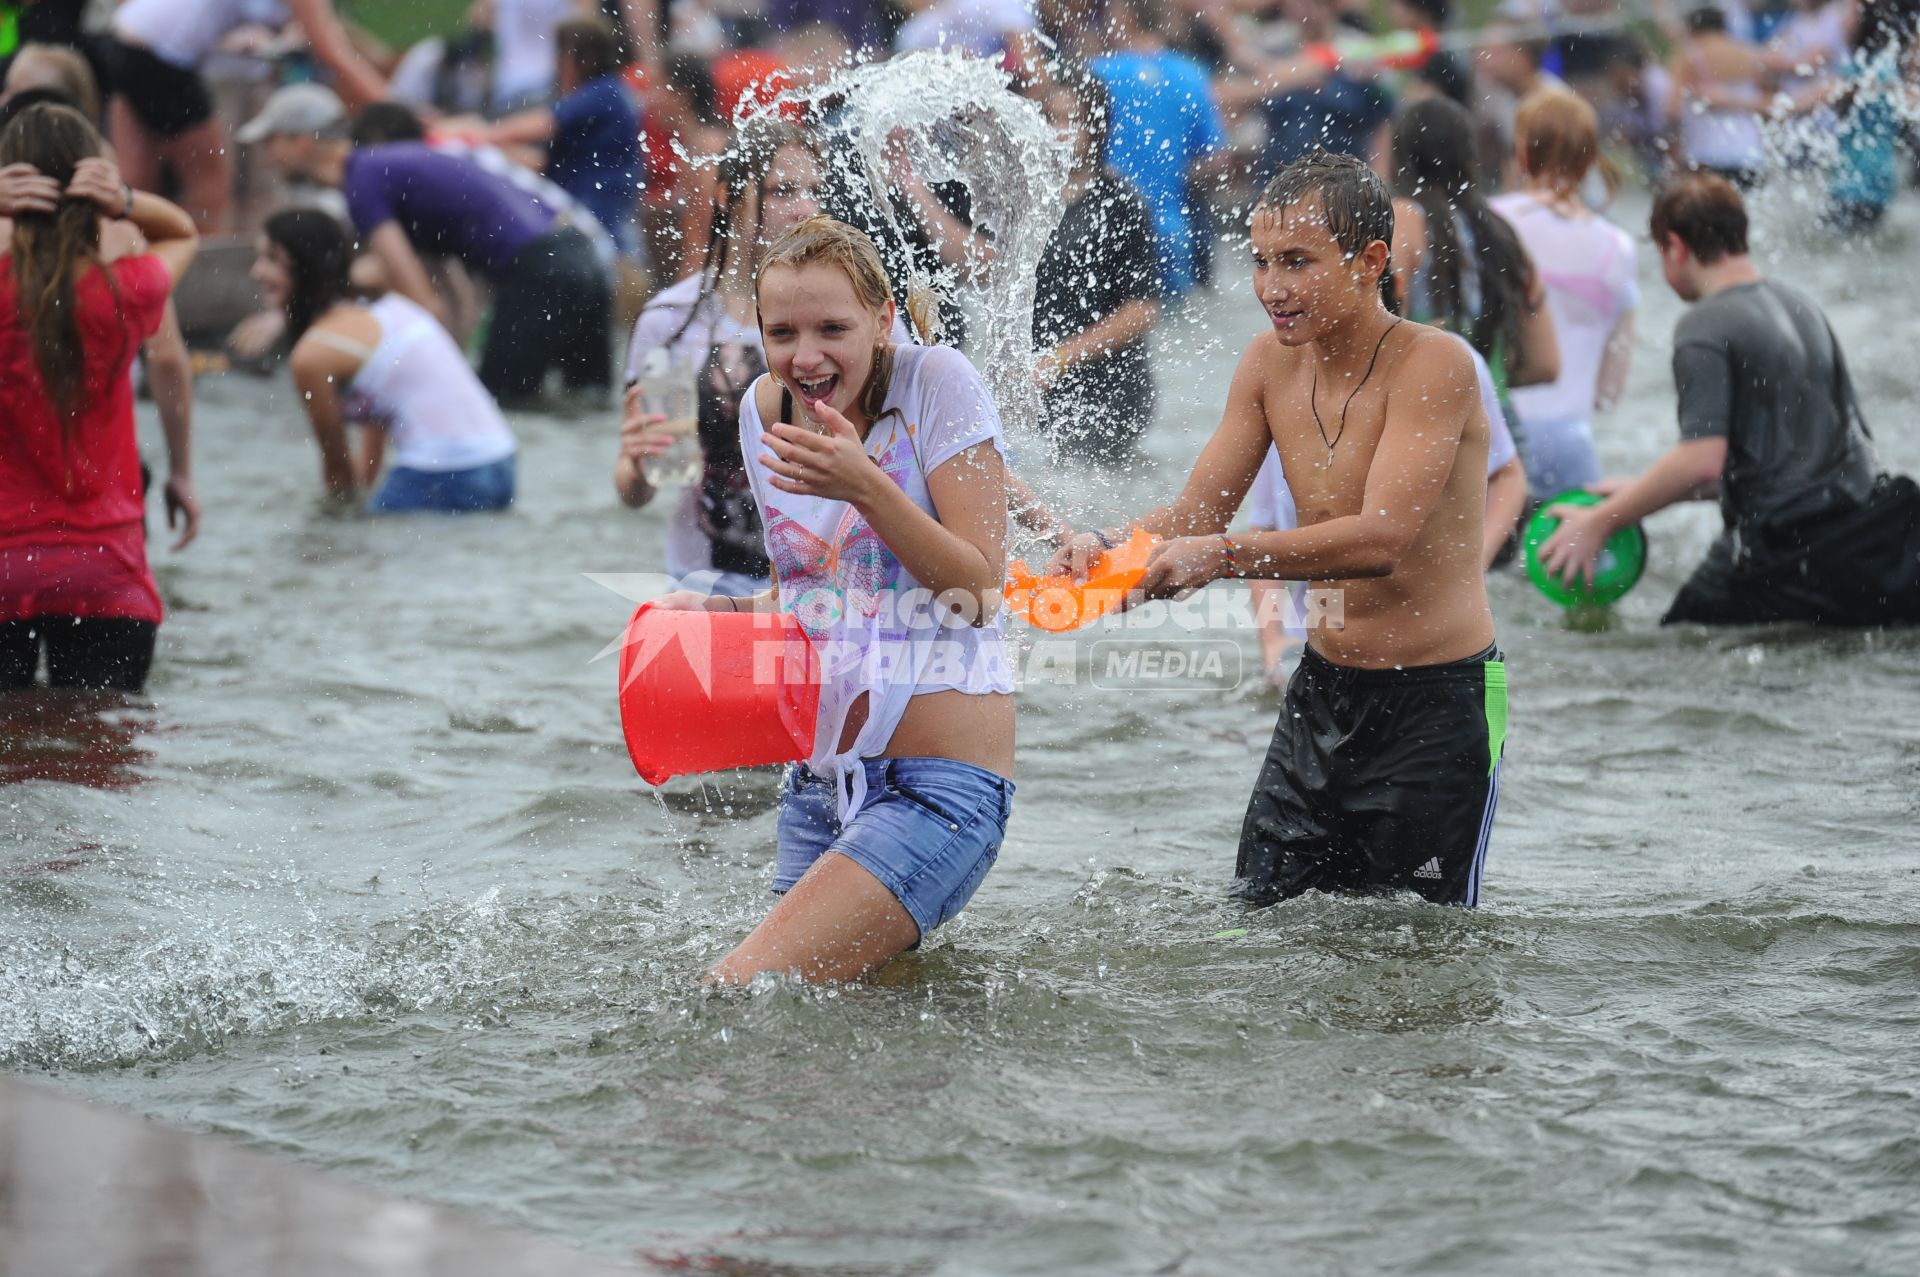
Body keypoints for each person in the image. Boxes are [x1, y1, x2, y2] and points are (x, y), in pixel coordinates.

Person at [1049, 152, 1505, 907]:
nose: (1271, 287)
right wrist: (1106, 548)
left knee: (1416, 964)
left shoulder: (1436, 365)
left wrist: (1221, 558)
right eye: (1259, 262)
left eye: (1296, 261)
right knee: (1255, 924)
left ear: (1370, 261)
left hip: (1439, 707)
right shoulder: (1267, 363)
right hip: (1320, 695)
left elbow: (1380, 540)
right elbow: (1196, 515)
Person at [651, 215, 1015, 984]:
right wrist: (706, 628)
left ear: (884, 320)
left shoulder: (937, 381)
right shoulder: (764, 411)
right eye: (781, 331)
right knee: (820, 1039)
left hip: (940, 786)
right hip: (821, 783)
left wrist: (865, 485)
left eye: (833, 328)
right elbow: (807, 591)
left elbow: (980, 592)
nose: (805, 355)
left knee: (737, 994)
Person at [1542, 173, 1920, 627]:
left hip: (1787, 560)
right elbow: (1792, 465)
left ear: (1676, 247)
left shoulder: (1703, 325)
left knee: (1676, 655)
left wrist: (1600, 522)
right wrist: (1638, 495)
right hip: (1868, 549)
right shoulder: (1800, 305)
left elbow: (1703, 461)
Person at [241, 83, 614, 404]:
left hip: (541, 270)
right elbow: (450, 288)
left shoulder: (363, 181)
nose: (268, 158)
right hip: (582, 257)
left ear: (302, 141)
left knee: (504, 411)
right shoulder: (390, 168)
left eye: (270, 142)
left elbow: (423, 298)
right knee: (585, 405)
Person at [0, 102, 198, 691]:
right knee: (99, 762)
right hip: (106, 572)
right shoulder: (126, 291)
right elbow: (181, 231)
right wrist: (126, 201)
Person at [615, 121, 841, 596]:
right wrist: (637, 463)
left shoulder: (854, 317)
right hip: (706, 586)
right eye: (783, 191)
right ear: (727, 196)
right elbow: (640, 491)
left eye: (814, 191)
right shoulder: (672, 322)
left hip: (827, 588)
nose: (806, 208)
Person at [254, 209, 518, 513]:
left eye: (272, 259)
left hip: (444, 472)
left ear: (305, 264)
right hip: (500, 463)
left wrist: (336, 523)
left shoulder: (313, 355)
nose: (256, 272)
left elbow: (338, 472)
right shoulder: (383, 306)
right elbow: (378, 416)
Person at [104, 0, 388, 230]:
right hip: (162, 56)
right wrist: (397, 109)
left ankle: (130, 265)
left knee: (136, 181)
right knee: (209, 183)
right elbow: (331, 49)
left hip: (125, 36)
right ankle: (193, 272)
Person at [1491, 88, 1639, 498]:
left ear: (1521, 154)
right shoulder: (1618, 246)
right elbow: (1610, 389)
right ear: (1590, 160)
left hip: (1497, 437)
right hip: (1573, 442)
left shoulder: (1492, 222)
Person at [1390, 97, 1559, 410]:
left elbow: (1380, 329)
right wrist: (1486, 376)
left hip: (1430, 420)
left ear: (1401, 156)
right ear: (1469, 156)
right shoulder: (1500, 232)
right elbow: (1545, 364)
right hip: (1500, 421)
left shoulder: (1404, 218)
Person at [1030, 72, 1162, 462]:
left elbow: (1143, 310)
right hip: (1046, 390)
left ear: (1098, 129)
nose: (1060, 132)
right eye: (1050, 119)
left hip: (1110, 392)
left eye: (1072, 121)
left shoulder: (1122, 203)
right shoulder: (1029, 198)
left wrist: (1059, 359)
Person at [457, 16, 644, 259]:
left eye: (561, 57)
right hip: (593, 218)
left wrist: (482, 133)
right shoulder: (605, 94)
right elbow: (543, 162)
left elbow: (543, 124)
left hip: (600, 221)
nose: (556, 67)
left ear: (582, 59)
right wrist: (484, 148)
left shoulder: (603, 91)